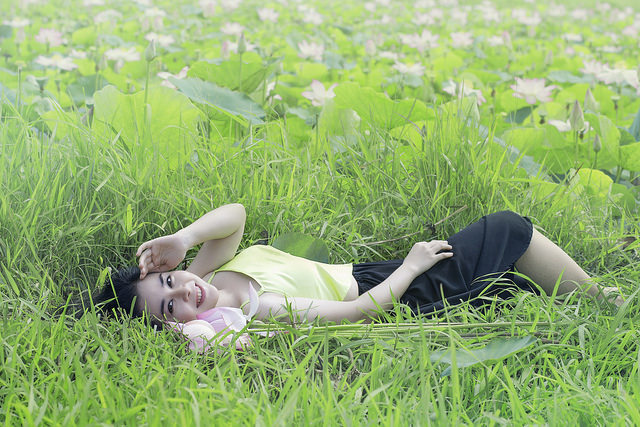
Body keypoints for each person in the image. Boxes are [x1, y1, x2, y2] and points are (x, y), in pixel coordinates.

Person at [96, 203, 622, 326]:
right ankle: (611, 304)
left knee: (507, 278)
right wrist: (413, 267)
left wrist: (184, 239)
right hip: (396, 291)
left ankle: (578, 297)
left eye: (170, 281)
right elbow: (358, 312)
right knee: (508, 230)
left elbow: (235, 218)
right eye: (169, 308)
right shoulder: (259, 308)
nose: (184, 292)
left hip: (371, 270)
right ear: (175, 328)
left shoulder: (207, 276)